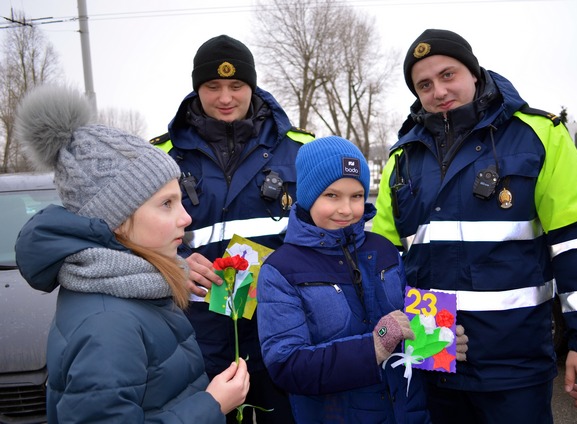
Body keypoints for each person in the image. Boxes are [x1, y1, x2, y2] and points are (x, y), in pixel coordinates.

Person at [371, 28, 577, 423]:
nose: (438, 91)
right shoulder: (403, 157)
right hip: (432, 353)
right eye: (424, 84)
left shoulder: (539, 135)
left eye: (447, 74)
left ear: (473, 70)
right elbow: (380, 256)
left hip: (514, 363)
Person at [13, 85, 250, 423]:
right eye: (166, 204)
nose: (186, 218)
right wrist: (211, 405)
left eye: (180, 199)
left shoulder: (134, 285)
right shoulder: (107, 324)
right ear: (117, 222)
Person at [150, 34, 313, 423]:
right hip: (191, 334)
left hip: (280, 326)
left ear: (251, 87)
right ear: (197, 88)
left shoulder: (300, 149)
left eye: (236, 85)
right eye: (213, 86)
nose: (225, 97)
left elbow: (322, 231)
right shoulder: (159, 157)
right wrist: (177, 263)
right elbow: (131, 239)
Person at [258, 135, 467, 423]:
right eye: (332, 195)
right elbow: (287, 366)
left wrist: (437, 342)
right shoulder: (281, 269)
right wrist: (375, 346)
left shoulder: (383, 250)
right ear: (308, 196)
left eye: (356, 196)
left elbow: (405, 328)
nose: (347, 209)